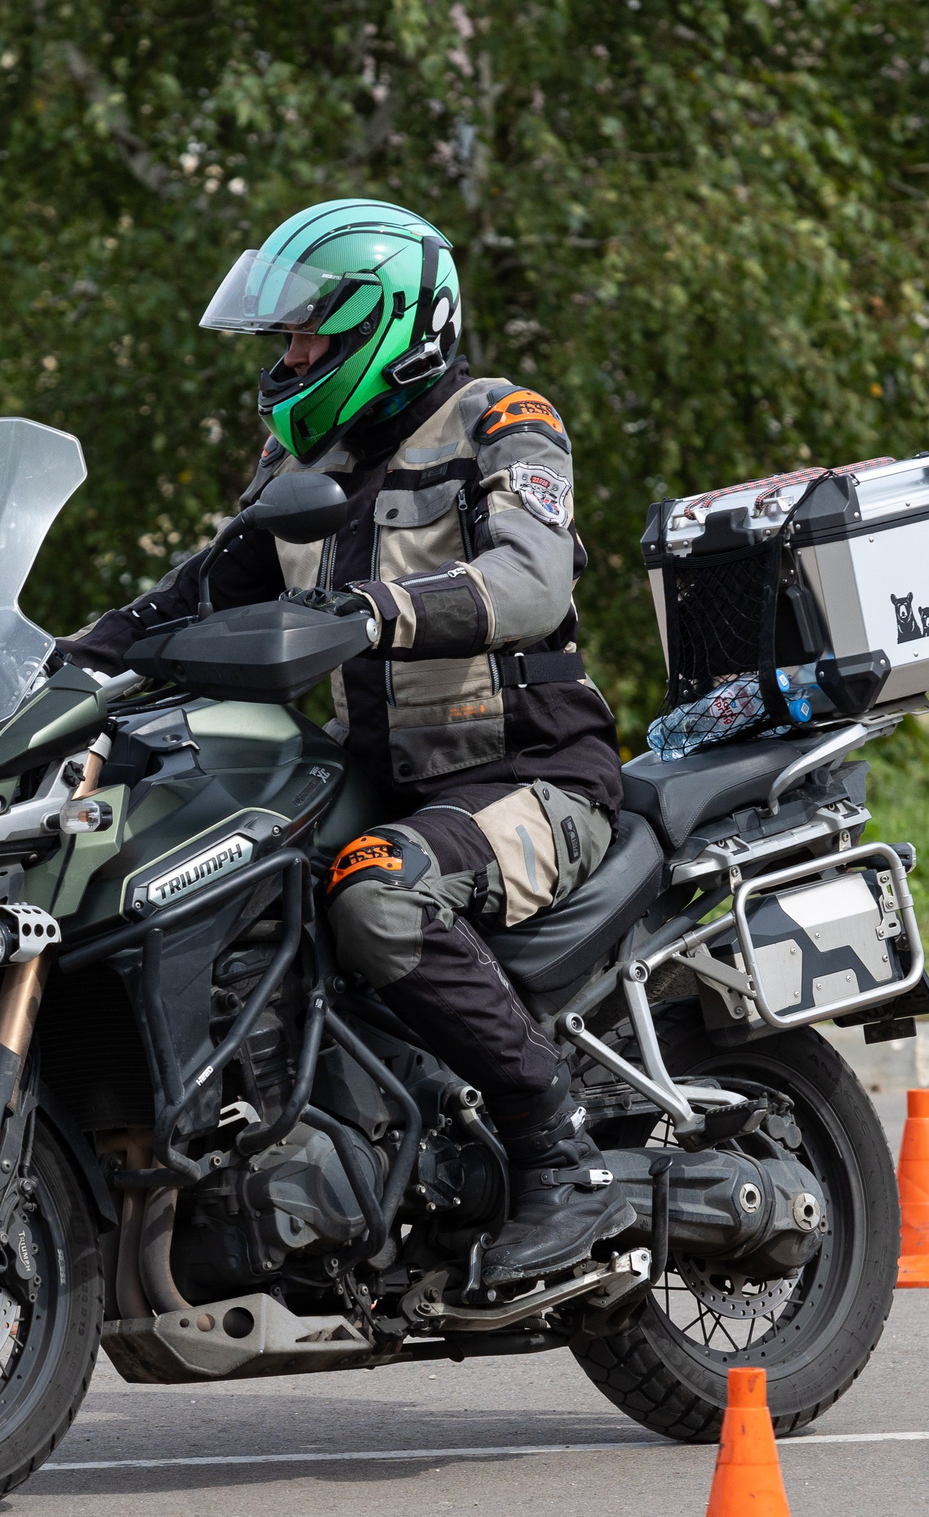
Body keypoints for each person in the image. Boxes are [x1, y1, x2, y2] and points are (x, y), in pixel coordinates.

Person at [62, 199, 631, 1288]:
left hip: (533, 773)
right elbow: (198, 594)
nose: (291, 358)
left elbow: (531, 577)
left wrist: (378, 609)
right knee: (201, 871)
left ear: (393, 321)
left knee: (376, 893)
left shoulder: (501, 418)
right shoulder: (296, 465)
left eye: (310, 336)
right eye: (284, 339)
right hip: (380, 774)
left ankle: (561, 1155)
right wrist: (64, 665)